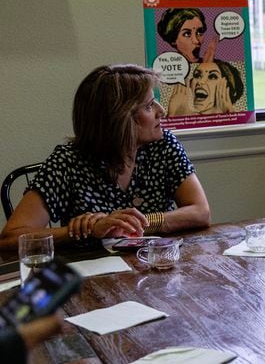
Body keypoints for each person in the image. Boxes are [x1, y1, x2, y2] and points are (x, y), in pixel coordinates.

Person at [0, 65, 211, 250]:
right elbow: (10, 237)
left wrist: (131, 223)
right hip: (93, 280)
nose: (161, 111)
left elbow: (201, 212)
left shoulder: (163, 145)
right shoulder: (68, 161)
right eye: (148, 106)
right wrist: (87, 230)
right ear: (120, 119)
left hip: (154, 266)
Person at [167, 58, 244, 116]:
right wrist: (173, 116)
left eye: (212, 77)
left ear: (228, 87)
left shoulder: (241, 117)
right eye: (197, 75)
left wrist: (229, 115)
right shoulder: (181, 112)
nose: (200, 82)